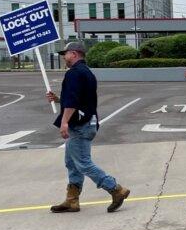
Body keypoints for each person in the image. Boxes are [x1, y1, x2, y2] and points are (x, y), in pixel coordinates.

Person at [47, 41, 130, 214]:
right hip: (88, 122)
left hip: (80, 126)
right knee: (72, 163)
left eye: (66, 54)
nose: (64, 57)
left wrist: (64, 122)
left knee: (83, 163)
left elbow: (72, 102)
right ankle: (72, 200)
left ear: (75, 54)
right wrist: (57, 100)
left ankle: (116, 189)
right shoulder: (86, 73)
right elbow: (80, 100)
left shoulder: (74, 74)